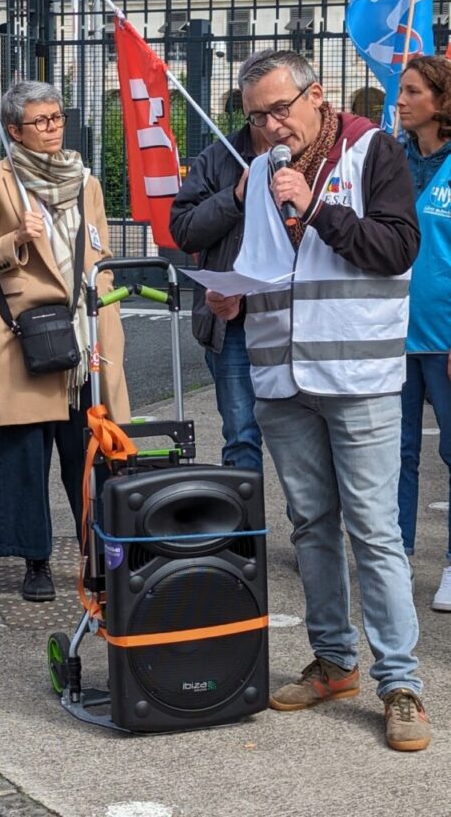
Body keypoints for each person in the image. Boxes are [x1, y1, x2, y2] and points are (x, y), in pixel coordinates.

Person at [210, 49, 429, 751]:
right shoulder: (259, 171)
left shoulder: (372, 150)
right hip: (281, 377)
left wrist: (316, 210)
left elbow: (397, 248)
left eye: (280, 109)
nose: (271, 127)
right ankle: (335, 661)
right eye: (256, 117)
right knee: (310, 526)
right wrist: (234, 295)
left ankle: (401, 683)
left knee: (375, 531)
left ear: (317, 95)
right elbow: (268, 266)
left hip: (358, 377)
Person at [0, 80, 130, 603]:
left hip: (86, 336)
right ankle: (35, 562)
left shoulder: (85, 181)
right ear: (15, 130)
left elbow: (100, 252)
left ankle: (98, 555)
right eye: (42, 121)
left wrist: (104, 308)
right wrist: (14, 240)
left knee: (91, 454)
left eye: (57, 118)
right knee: (26, 457)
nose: (54, 128)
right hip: (26, 335)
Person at [169, 120, 267, 474]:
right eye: (261, 112)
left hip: (295, 322)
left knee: (303, 437)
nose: (273, 121)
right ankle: (246, 513)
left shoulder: (312, 156)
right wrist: (235, 197)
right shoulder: (217, 158)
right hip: (233, 325)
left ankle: (305, 514)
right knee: (241, 435)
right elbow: (184, 230)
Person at [395, 56, 451, 610]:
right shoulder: (393, 159)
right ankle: (398, 557)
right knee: (397, 453)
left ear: (441, 100)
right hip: (393, 336)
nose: (401, 100)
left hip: (445, 339)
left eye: (413, 91)